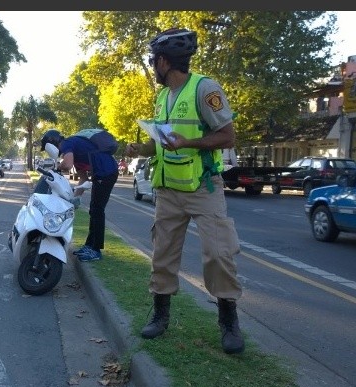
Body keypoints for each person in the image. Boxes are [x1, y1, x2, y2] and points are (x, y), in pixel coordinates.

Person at [125, 28, 245, 354]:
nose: (152, 66)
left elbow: (228, 137)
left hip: (203, 186)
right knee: (162, 254)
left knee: (219, 253)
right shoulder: (162, 96)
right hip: (168, 189)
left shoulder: (205, 89)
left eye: (153, 60)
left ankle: (228, 321)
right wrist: (141, 149)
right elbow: (161, 143)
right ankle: (160, 315)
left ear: (165, 62)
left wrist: (188, 142)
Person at [41, 129, 119, 262]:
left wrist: (57, 168)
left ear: (51, 143)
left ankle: (95, 250)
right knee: (94, 210)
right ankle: (89, 246)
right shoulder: (74, 150)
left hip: (106, 172)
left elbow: (67, 164)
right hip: (102, 173)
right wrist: (74, 199)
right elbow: (83, 179)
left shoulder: (67, 143)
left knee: (97, 210)